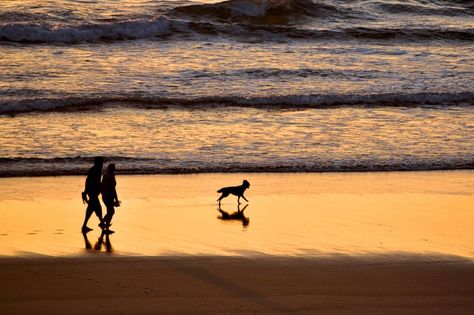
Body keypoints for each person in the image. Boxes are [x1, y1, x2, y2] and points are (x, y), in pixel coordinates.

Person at [81, 157, 104, 232]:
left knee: (91, 209)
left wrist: (85, 192)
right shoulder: (95, 170)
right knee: (97, 208)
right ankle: (102, 224)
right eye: (101, 163)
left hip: (92, 192)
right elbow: (92, 181)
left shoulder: (95, 169)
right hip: (92, 192)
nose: (102, 164)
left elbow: (88, 181)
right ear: (98, 163)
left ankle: (85, 226)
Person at [101, 163, 120, 234]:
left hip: (105, 196)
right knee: (111, 211)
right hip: (109, 196)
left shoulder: (105, 175)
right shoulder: (111, 176)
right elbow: (113, 189)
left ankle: (103, 223)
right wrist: (116, 199)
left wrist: (103, 194)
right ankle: (105, 227)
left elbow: (102, 186)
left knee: (110, 211)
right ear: (113, 169)